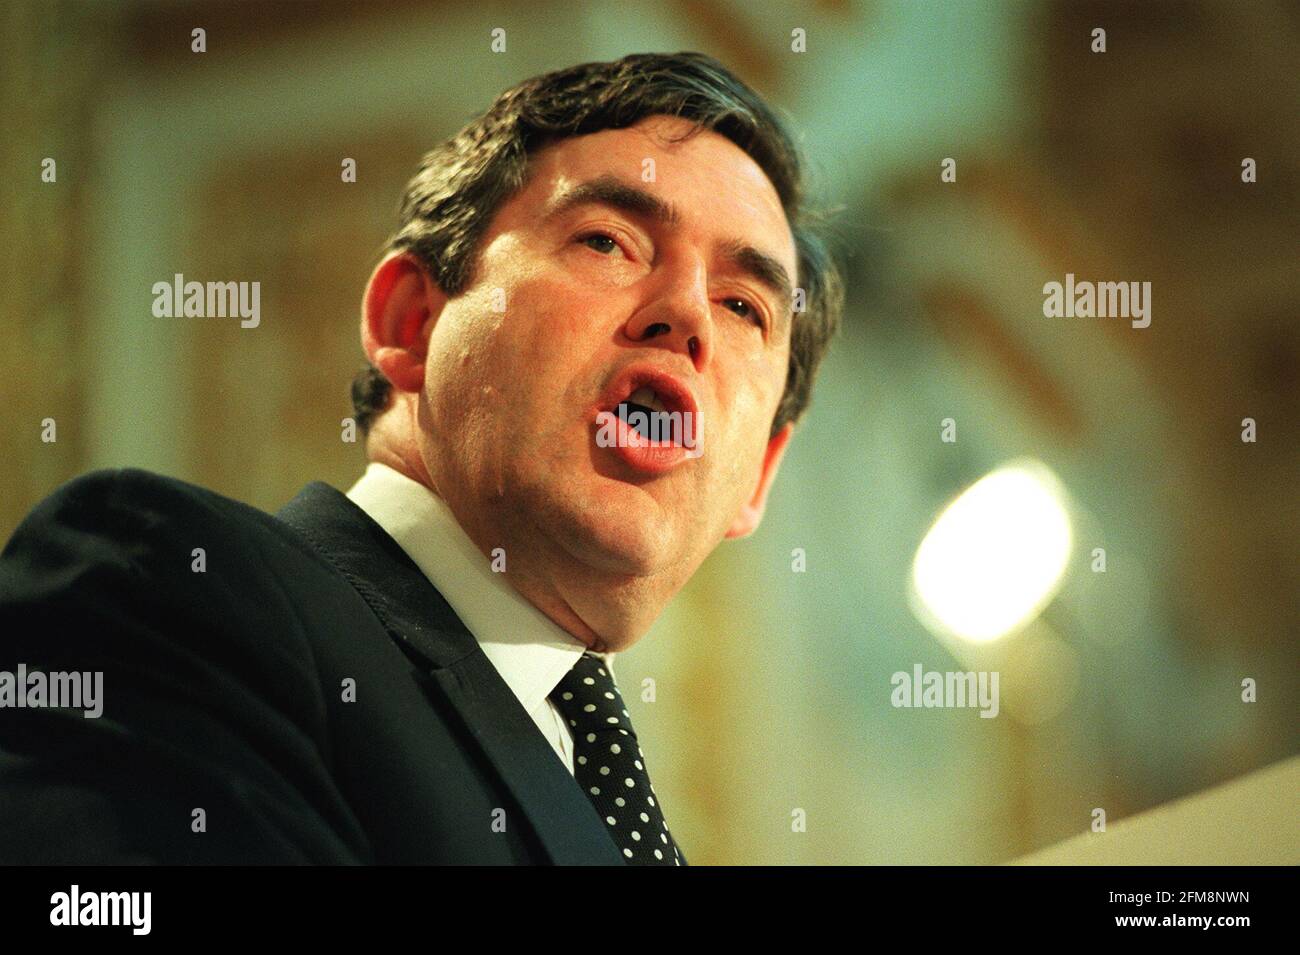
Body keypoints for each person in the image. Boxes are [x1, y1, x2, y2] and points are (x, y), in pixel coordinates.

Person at [0, 51, 843, 865]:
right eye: (608, 242)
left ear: (761, 473)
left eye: (744, 305)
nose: (688, 316)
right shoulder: (176, 592)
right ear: (413, 321)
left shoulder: (599, 788)